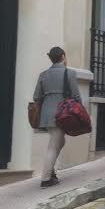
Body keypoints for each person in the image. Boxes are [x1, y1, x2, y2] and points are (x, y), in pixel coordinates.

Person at [33, 47, 81, 188]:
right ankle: (46, 179)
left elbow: (36, 96)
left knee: (59, 142)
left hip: (46, 114)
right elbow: (76, 96)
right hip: (62, 113)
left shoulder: (43, 74)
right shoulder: (70, 73)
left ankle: (51, 172)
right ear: (63, 56)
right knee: (54, 146)